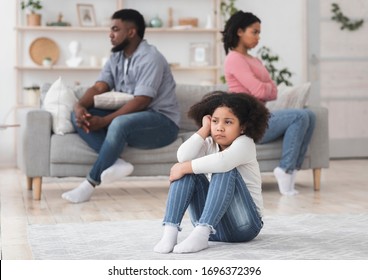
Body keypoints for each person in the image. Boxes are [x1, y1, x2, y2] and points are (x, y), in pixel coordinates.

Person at [62, 9, 180, 203]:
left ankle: (89, 184)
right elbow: (100, 86)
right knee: (78, 115)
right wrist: (79, 106)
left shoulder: (151, 57)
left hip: (162, 123)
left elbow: (142, 100)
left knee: (119, 123)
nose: (110, 34)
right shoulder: (117, 57)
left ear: (131, 32)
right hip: (133, 118)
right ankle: (114, 162)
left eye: (115, 29)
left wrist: (105, 121)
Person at [154, 91, 270, 254]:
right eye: (215, 121)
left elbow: (223, 162)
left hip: (244, 226)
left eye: (228, 122)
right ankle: (170, 233)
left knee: (223, 168)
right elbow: (183, 156)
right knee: (187, 170)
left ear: (243, 127)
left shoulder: (245, 143)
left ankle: (201, 233)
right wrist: (204, 129)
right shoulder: (209, 142)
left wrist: (183, 167)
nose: (220, 127)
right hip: (213, 230)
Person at [222, 11, 316, 196]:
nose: (258, 37)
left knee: (310, 115)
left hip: (261, 114)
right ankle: (285, 170)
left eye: (259, 33)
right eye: (254, 32)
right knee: (299, 115)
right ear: (240, 31)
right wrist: (265, 87)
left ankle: (291, 170)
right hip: (248, 122)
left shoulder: (254, 60)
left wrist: (264, 87)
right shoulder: (234, 58)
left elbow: (272, 91)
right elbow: (261, 90)